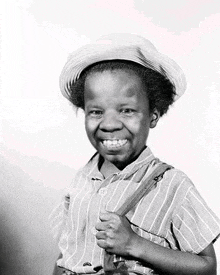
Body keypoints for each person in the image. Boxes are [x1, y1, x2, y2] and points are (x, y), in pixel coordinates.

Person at [51, 33, 220, 275]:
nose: (109, 124)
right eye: (96, 111)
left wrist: (135, 244)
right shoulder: (80, 181)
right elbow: (66, 256)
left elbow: (207, 268)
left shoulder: (173, 186)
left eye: (127, 110)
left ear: (153, 115)